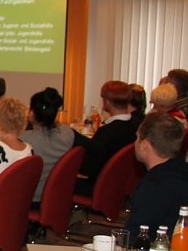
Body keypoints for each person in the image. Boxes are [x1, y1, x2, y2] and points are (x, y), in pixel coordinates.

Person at [125, 113, 188, 242]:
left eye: (137, 138)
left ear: (144, 145)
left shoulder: (153, 186)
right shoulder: (182, 170)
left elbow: (136, 238)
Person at [76, 80, 138, 195]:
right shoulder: (137, 126)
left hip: (101, 187)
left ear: (107, 102)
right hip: (122, 185)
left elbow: (87, 168)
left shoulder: (106, 132)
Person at [20, 88, 74, 203]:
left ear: (32, 113)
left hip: (33, 197)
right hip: (57, 194)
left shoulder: (25, 139)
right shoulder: (68, 133)